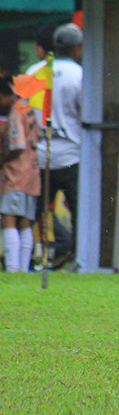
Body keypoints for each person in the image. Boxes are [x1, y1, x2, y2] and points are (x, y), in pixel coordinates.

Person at [31, 23, 83, 266]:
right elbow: (86, 114)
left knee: (33, 212)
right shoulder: (80, 74)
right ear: (76, 48)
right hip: (72, 155)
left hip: (39, 156)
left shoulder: (34, 71)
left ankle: (21, 260)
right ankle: (79, 259)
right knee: (79, 212)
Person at [0, 75, 41, 272]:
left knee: (8, 217)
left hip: (16, 173)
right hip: (32, 171)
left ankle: (13, 267)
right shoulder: (27, 106)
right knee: (25, 221)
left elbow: (17, 145)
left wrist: (3, 159)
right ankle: (23, 269)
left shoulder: (15, 111)